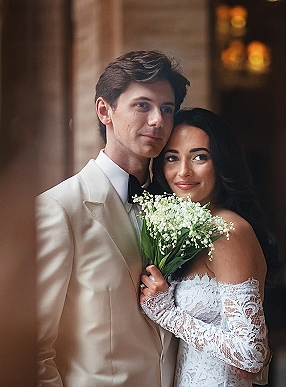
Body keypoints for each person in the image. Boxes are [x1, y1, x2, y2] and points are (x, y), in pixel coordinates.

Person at [36, 50, 190, 387]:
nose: (157, 121)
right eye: (142, 105)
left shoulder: (177, 207)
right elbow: (32, 347)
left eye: (167, 109)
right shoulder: (60, 209)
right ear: (105, 110)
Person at [139, 107, 280, 386]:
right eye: (172, 158)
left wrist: (168, 314)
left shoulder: (228, 231)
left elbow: (251, 354)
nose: (183, 172)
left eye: (199, 157)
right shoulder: (190, 228)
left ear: (222, 162)